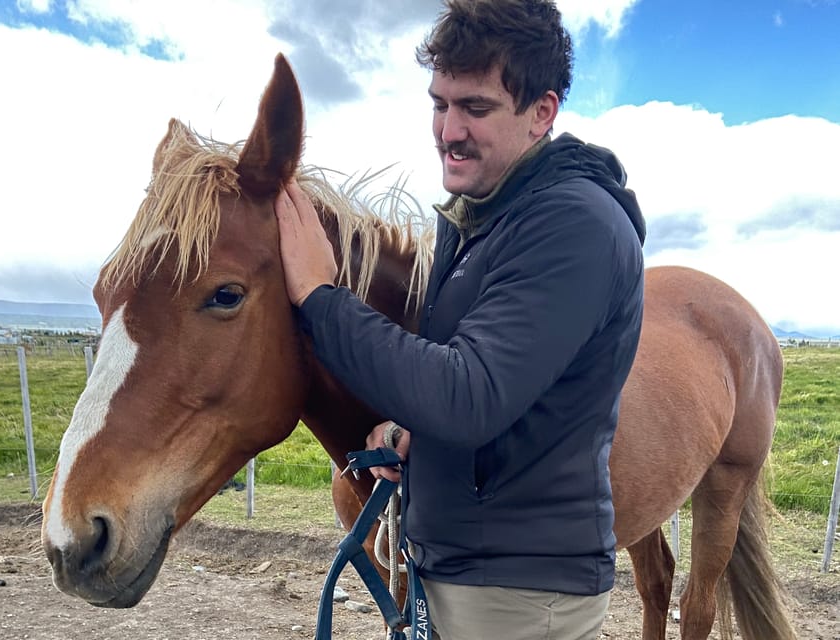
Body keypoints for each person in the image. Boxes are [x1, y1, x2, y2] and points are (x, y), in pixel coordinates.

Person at [274, 1, 646, 638]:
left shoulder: (574, 225)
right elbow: (486, 386)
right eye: (439, 104)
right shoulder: (477, 219)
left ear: (541, 114)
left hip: (519, 595)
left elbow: (469, 396)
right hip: (464, 572)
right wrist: (412, 428)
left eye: (475, 108)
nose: (448, 131)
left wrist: (319, 297)